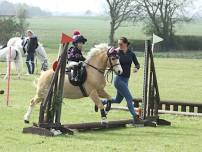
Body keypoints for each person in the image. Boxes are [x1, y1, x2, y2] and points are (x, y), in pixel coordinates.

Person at [101, 37, 141, 123]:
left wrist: (136, 68)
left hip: (126, 80)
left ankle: (103, 101)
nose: (119, 46)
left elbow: (137, 64)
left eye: (121, 44)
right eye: (118, 44)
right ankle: (135, 116)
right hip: (118, 80)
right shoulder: (116, 52)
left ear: (126, 44)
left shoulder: (131, 54)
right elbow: (109, 61)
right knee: (129, 98)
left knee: (118, 100)